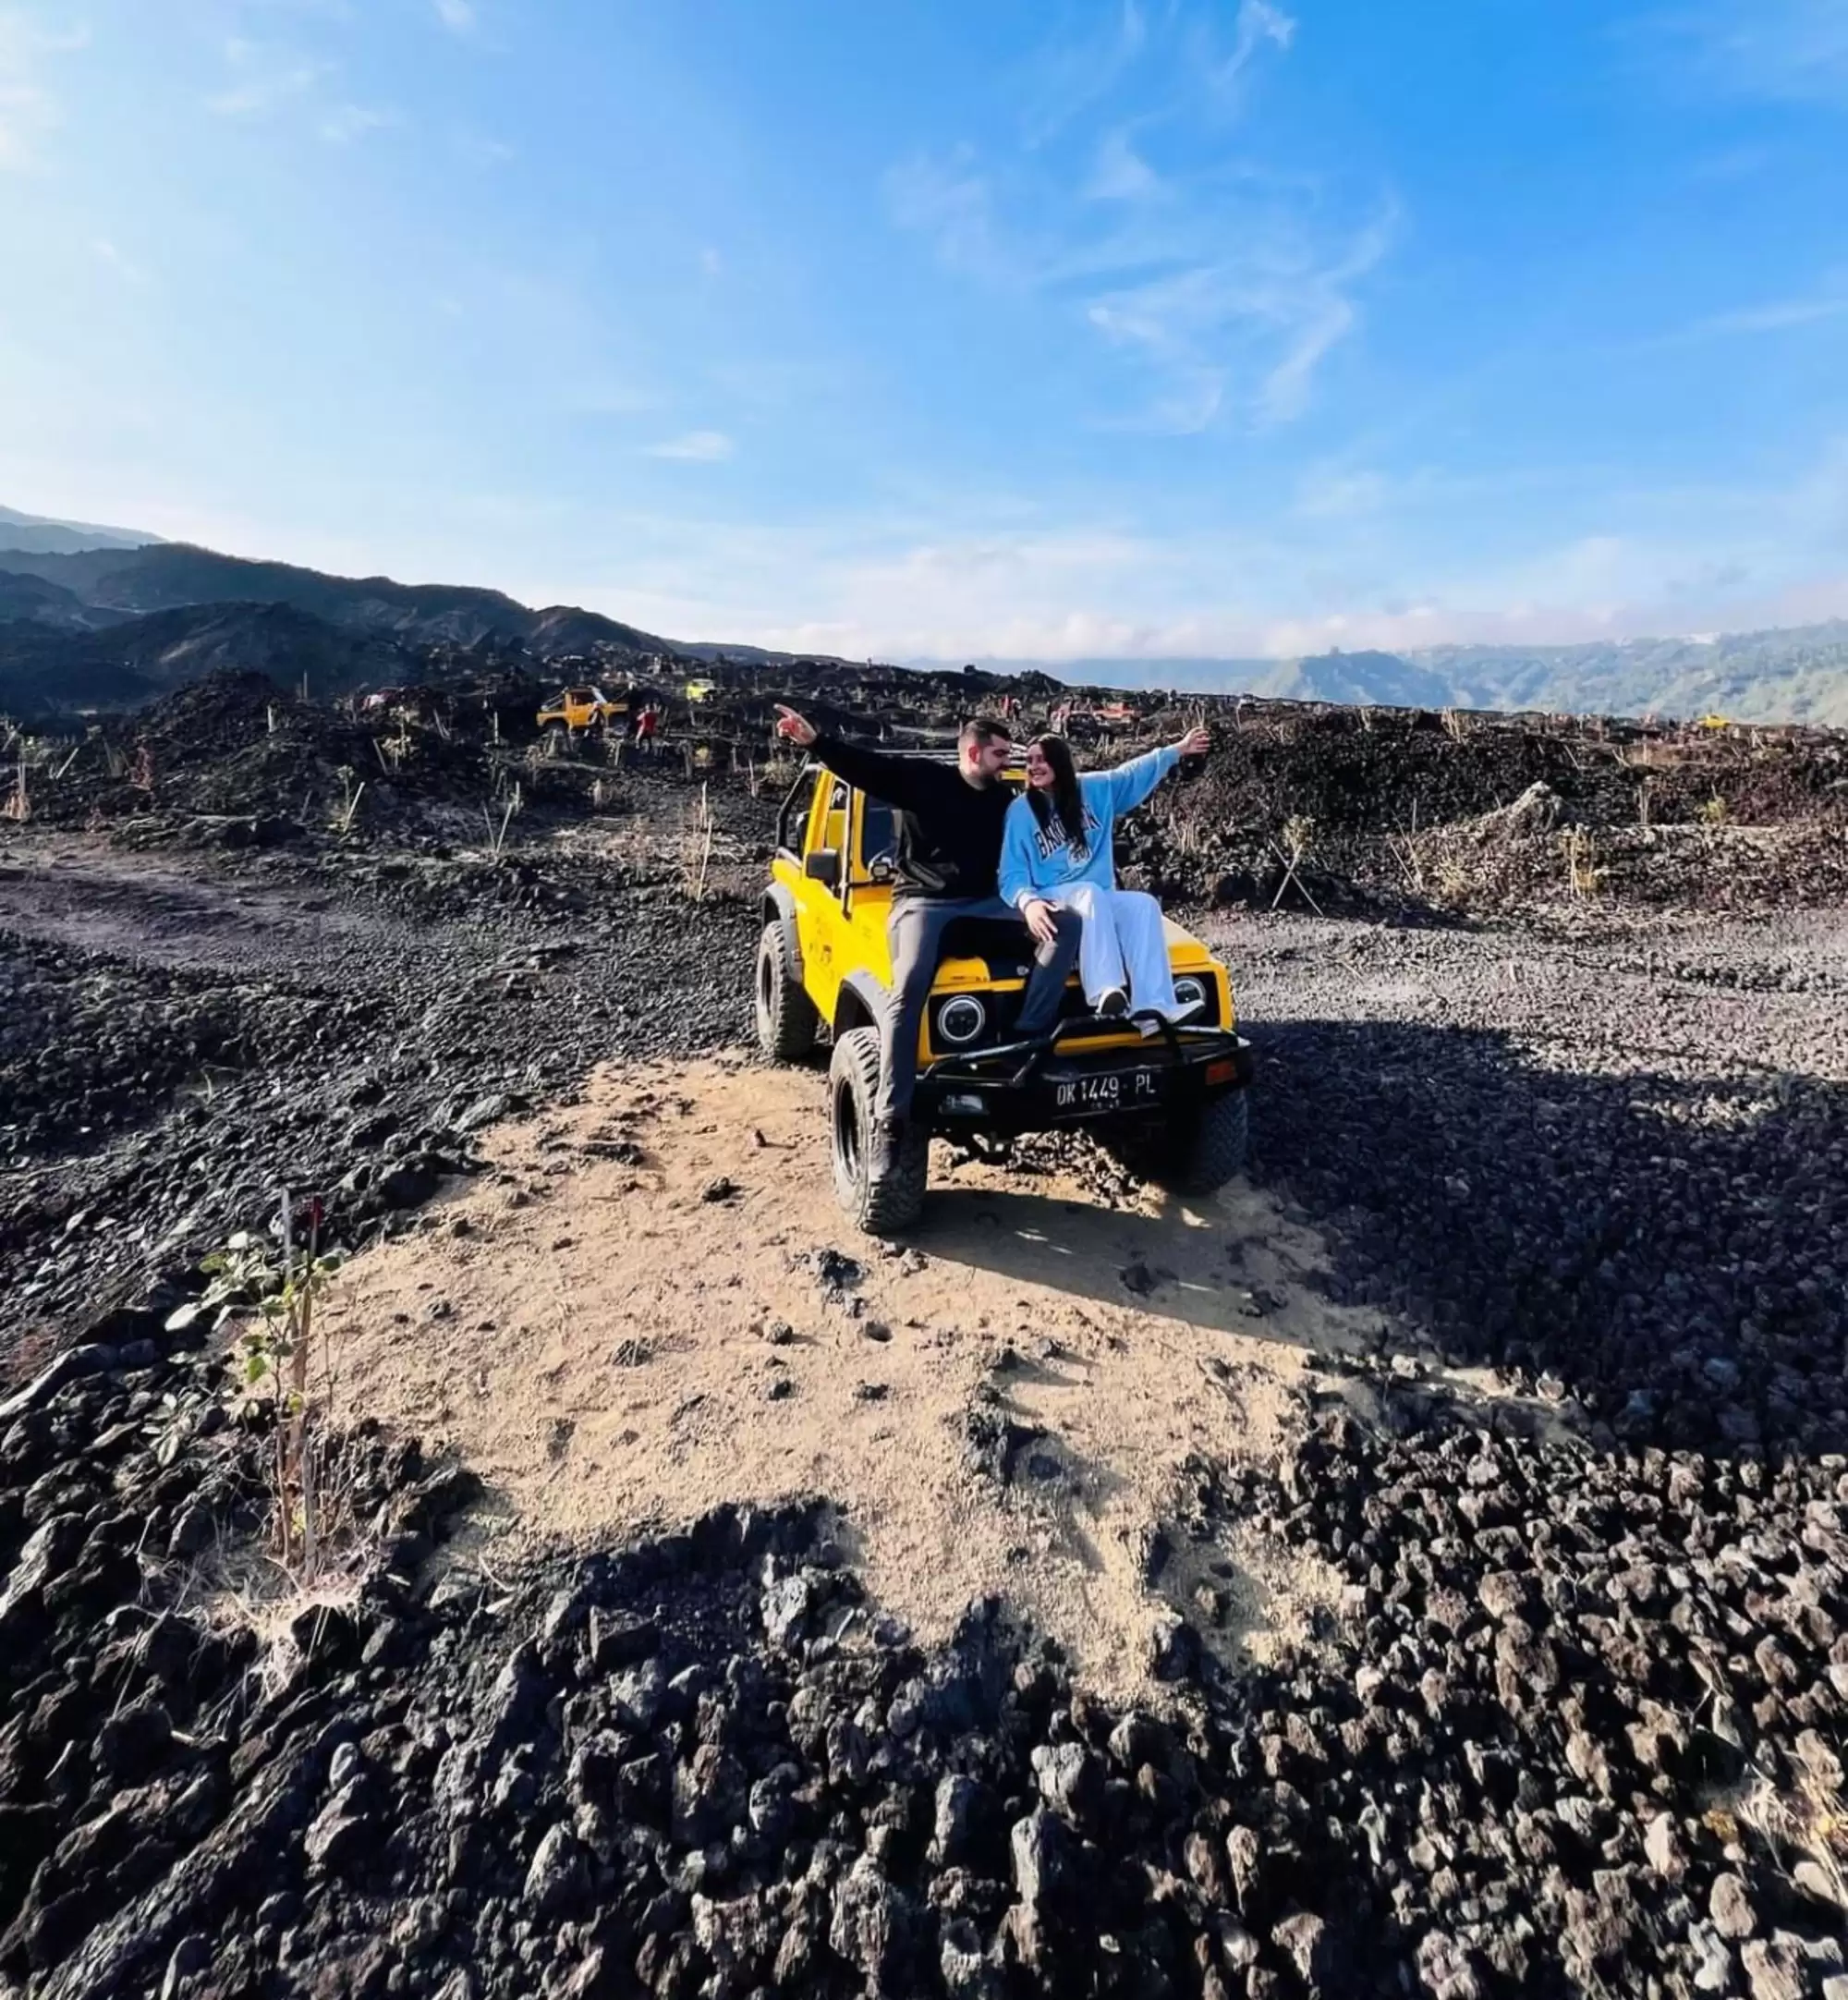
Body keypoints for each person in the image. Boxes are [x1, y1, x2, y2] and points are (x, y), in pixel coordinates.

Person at [772, 704, 1081, 1158]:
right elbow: (867, 768)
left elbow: (1054, 823)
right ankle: (890, 1114)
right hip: (923, 904)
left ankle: (1027, 1039)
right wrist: (815, 742)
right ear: (973, 753)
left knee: (1066, 923)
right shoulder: (925, 781)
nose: (1007, 762)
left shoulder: (1005, 800)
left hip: (986, 904)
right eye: (1000, 754)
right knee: (908, 985)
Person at [999, 726, 1210, 1021]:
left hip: (1094, 896)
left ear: (1060, 761)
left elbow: (1131, 774)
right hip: (1051, 896)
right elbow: (1011, 872)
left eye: (1041, 759)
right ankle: (1104, 990)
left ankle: (1154, 1008)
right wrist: (1028, 901)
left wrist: (1177, 750)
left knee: (1143, 905)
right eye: (1030, 761)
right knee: (1090, 893)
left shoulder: (1094, 790)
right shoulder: (1021, 810)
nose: (1033, 766)